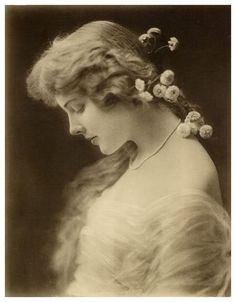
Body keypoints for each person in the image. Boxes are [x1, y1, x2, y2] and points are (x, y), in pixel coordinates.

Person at [26, 21, 230, 297]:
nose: (73, 127)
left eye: (77, 108)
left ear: (116, 86)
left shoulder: (187, 184)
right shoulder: (139, 153)